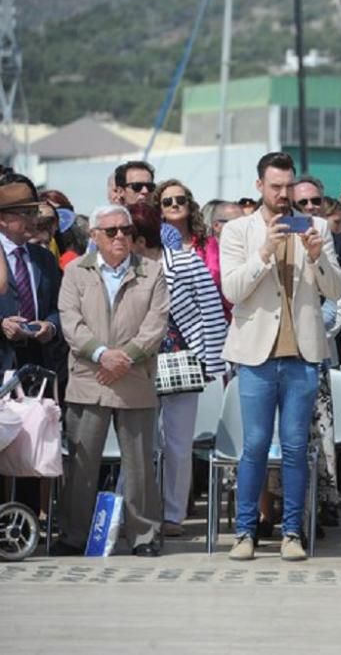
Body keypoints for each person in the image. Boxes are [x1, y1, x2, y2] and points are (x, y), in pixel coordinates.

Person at [220, 152, 341, 562]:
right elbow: (233, 291)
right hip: (256, 354)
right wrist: (264, 254)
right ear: (259, 186)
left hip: (303, 353)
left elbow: (337, 289)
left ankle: (293, 532)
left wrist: (316, 256)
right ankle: (245, 532)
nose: (282, 194)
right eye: (274, 186)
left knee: (295, 446)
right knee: (254, 445)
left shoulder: (318, 227)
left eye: (288, 186)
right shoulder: (238, 230)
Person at [55, 204, 170, 556]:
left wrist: (126, 357)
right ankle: (74, 536)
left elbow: (157, 323)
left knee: (138, 466)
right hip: (90, 377)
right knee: (81, 463)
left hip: (134, 377)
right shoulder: (75, 271)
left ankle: (144, 537)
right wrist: (101, 354)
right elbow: (70, 321)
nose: (120, 236)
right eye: (111, 231)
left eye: (125, 230)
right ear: (95, 236)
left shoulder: (152, 272)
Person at [128, 203, 227, 537]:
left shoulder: (184, 261)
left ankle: (173, 514)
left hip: (182, 358)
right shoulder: (125, 267)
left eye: (128, 233)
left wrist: (212, 361)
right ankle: (133, 511)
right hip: (137, 362)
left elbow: (211, 309)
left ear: (141, 239)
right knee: (137, 442)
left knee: (179, 444)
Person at [0, 175, 66, 516]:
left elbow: (60, 307)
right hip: (2, 364)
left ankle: (22, 523)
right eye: (23, 213)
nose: (32, 220)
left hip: (35, 369)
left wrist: (49, 326)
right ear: (3, 219)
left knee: (29, 445)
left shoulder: (41, 258)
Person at [296, 177, 341, 319]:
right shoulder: (281, 238)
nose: (310, 206)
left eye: (316, 201)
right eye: (303, 202)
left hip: (328, 326)